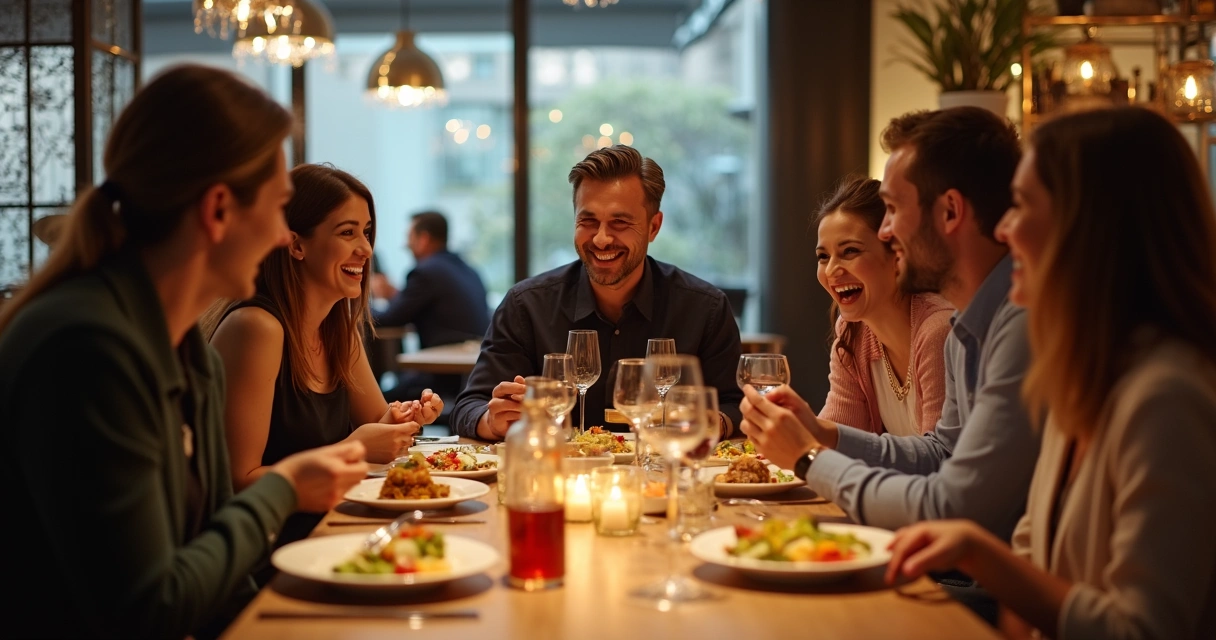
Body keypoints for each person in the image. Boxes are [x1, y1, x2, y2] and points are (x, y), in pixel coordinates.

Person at [0, 64, 368, 639]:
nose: (281, 236)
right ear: (218, 210)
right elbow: (150, 609)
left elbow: (217, 549)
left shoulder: (184, 352)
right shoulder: (86, 348)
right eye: (276, 208)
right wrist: (285, 489)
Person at [885, 107, 1216, 640]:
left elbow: (1143, 630)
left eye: (1022, 204)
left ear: (1091, 228)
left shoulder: (1167, 398)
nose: (1005, 227)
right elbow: (1032, 572)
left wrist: (978, 554)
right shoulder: (1079, 379)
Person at [741, 106, 1038, 542]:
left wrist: (808, 458)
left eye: (893, 209)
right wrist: (824, 433)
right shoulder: (966, 331)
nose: (886, 232)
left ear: (951, 212)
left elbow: (953, 507)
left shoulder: (1015, 326)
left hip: (984, 588)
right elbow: (940, 454)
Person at [205, 164, 442, 563]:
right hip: (269, 556)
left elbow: (382, 426)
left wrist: (407, 418)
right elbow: (235, 484)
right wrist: (353, 447)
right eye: (347, 232)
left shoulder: (338, 328)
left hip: (335, 533)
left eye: (366, 233)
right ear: (296, 244)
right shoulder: (257, 328)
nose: (366, 249)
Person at [449, 144, 743, 441]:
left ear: (653, 227)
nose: (601, 239)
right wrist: (492, 420)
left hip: (664, 478)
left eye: (620, 223)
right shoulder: (527, 305)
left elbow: (737, 405)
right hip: (558, 480)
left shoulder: (704, 308)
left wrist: (714, 421)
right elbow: (469, 407)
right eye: (588, 222)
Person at [814, 175, 953, 436]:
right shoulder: (853, 332)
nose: (832, 270)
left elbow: (941, 462)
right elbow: (839, 435)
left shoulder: (938, 331)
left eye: (850, 251)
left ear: (896, 254)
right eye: (823, 256)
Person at [372, 210, 490, 403]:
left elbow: (390, 318)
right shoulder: (468, 270)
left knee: (378, 403)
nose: (406, 244)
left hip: (442, 377)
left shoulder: (425, 273)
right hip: (472, 374)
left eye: (409, 237)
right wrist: (397, 296)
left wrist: (355, 310)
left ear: (423, 239)